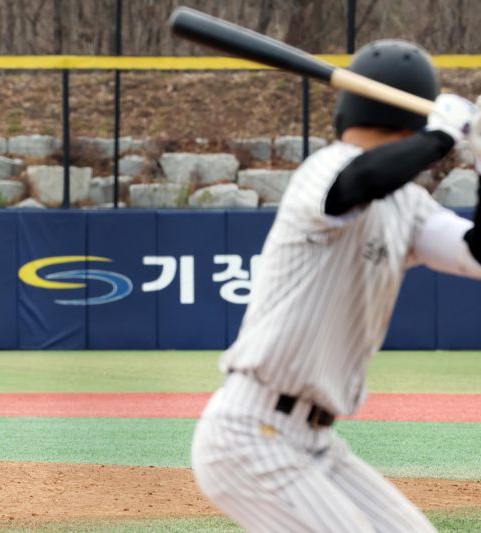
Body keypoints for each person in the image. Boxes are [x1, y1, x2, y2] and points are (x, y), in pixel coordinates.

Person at [190, 40, 481, 532]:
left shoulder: (408, 204)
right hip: (250, 432)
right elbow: (357, 182)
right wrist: (441, 138)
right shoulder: (327, 168)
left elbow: (475, 251)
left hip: (315, 441)